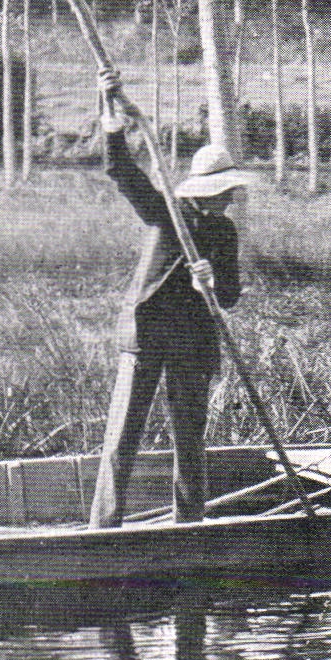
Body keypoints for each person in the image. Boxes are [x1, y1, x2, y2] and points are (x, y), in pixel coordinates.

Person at [91, 67, 252, 529]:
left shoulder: (224, 232)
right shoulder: (168, 213)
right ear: (207, 190)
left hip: (194, 342)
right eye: (223, 192)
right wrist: (110, 109)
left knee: (189, 440)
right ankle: (103, 528)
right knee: (123, 435)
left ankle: (189, 526)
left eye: (230, 192)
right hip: (147, 333)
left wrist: (211, 284)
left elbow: (230, 295)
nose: (229, 199)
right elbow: (119, 169)